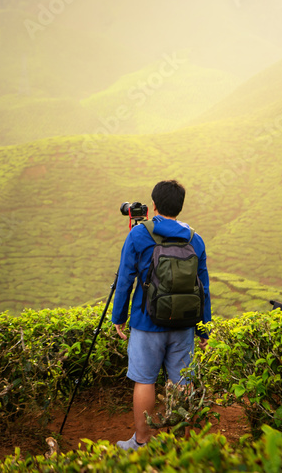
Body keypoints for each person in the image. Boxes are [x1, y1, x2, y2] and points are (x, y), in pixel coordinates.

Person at [112, 179, 211, 450]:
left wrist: (118, 318)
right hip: (185, 324)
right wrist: (203, 328)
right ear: (179, 206)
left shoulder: (139, 235)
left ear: (154, 205)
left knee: (145, 380)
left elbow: (125, 280)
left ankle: (142, 442)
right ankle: (182, 442)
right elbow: (203, 286)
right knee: (182, 381)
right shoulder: (195, 238)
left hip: (147, 322)